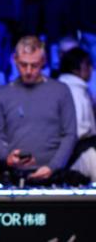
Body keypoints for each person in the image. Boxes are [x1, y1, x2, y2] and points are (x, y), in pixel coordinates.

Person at [0, 36, 78, 185]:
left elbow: (70, 134)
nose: (29, 71)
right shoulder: (2, 93)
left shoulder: (61, 90)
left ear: (43, 62)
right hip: (15, 177)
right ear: (15, 60)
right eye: (23, 65)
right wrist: (7, 157)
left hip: (54, 177)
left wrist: (53, 166)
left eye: (34, 65)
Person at [58, 47, 96, 182]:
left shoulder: (78, 88)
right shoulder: (73, 90)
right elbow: (77, 131)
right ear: (75, 68)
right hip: (76, 153)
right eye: (87, 64)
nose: (90, 68)